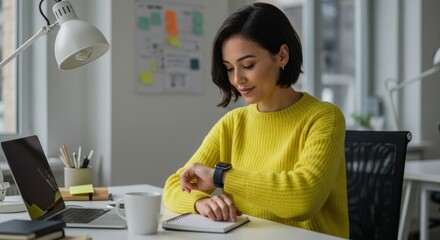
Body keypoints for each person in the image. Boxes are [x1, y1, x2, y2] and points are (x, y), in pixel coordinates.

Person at [163, 2, 348, 238]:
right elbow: (174, 186)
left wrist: (220, 177)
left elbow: (304, 199)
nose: (237, 79)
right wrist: (200, 202)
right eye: (229, 68)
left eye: (248, 65)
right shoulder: (233, 123)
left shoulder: (324, 117)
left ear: (282, 56)